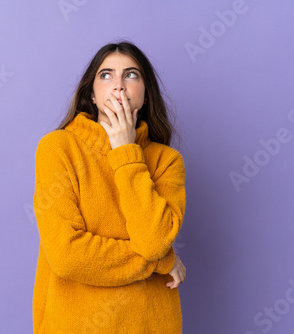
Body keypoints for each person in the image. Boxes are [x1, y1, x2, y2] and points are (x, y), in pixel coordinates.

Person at [32, 40, 187, 333]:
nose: (119, 85)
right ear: (91, 93)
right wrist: (160, 262)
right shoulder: (58, 148)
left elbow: (153, 240)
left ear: (145, 92)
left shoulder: (167, 161)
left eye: (131, 74)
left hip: (151, 323)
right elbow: (67, 256)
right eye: (106, 75)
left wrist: (126, 153)